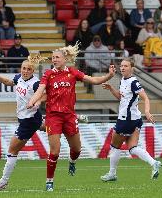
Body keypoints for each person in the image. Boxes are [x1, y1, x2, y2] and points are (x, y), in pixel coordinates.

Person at [27, 43, 116, 191]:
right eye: (53, 58)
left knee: (77, 149)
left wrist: (109, 76)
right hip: (53, 116)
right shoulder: (48, 74)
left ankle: (72, 162)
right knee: (54, 151)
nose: (54, 60)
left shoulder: (73, 73)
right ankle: (49, 181)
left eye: (57, 57)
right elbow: (40, 91)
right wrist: (32, 101)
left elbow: (93, 80)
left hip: (69, 116)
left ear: (64, 58)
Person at [0, 54, 48, 192]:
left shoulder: (35, 83)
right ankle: (71, 121)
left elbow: (45, 94)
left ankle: (3, 182)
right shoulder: (19, 78)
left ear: (33, 71)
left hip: (29, 120)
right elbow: (9, 82)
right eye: (23, 68)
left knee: (12, 150)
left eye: (28, 69)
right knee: (51, 128)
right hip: (30, 118)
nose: (25, 71)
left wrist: (37, 101)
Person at [100, 58, 162, 182]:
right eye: (121, 66)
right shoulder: (123, 80)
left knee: (115, 145)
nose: (122, 68)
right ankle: (153, 163)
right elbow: (121, 97)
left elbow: (146, 98)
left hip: (126, 119)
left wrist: (148, 111)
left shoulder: (133, 82)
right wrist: (111, 88)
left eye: (126, 66)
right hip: (135, 118)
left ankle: (112, 174)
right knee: (132, 147)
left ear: (132, 68)